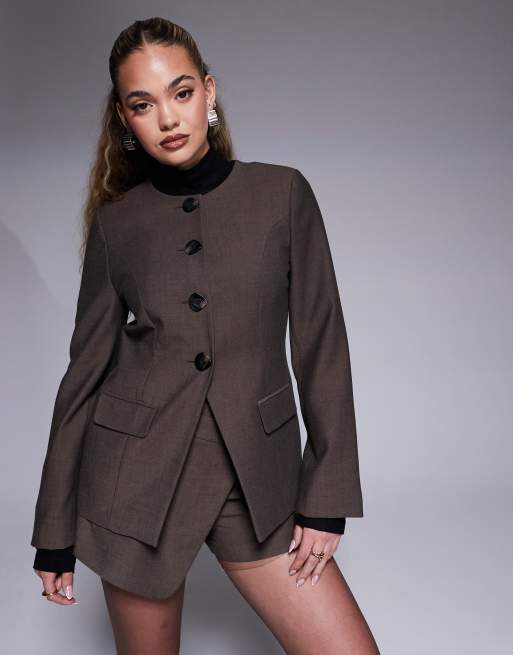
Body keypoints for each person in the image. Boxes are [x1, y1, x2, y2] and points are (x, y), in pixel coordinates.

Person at [30, 16, 380, 655]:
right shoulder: (117, 224)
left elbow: (322, 344)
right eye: (143, 104)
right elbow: (84, 376)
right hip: (136, 488)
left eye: (182, 92)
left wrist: (325, 494)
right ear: (125, 118)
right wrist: (53, 530)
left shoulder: (282, 194)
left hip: (257, 483)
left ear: (209, 93)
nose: (168, 118)